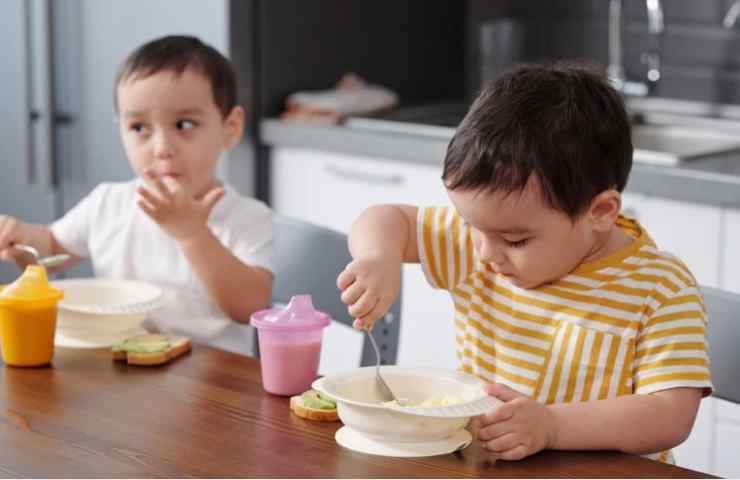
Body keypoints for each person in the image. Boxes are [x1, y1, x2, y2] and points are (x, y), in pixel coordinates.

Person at [336, 62, 711, 463]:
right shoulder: (483, 237)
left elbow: (670, 415)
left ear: (600, 211)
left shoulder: (660, 289)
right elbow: (385, 218)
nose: (484, 252)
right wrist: (380, 256)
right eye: (472, 228)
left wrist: (552, 425)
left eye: (516, 240)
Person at [0, 35, 273, 354]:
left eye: (184, 124)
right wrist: (19, 239)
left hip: (212, 388)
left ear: (230, 127)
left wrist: (192, 234)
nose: (161, 149)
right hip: (121, 372)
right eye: (140, 128)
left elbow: (250, 308)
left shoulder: (248, 217)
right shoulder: (108, 203)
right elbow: (51, 249)